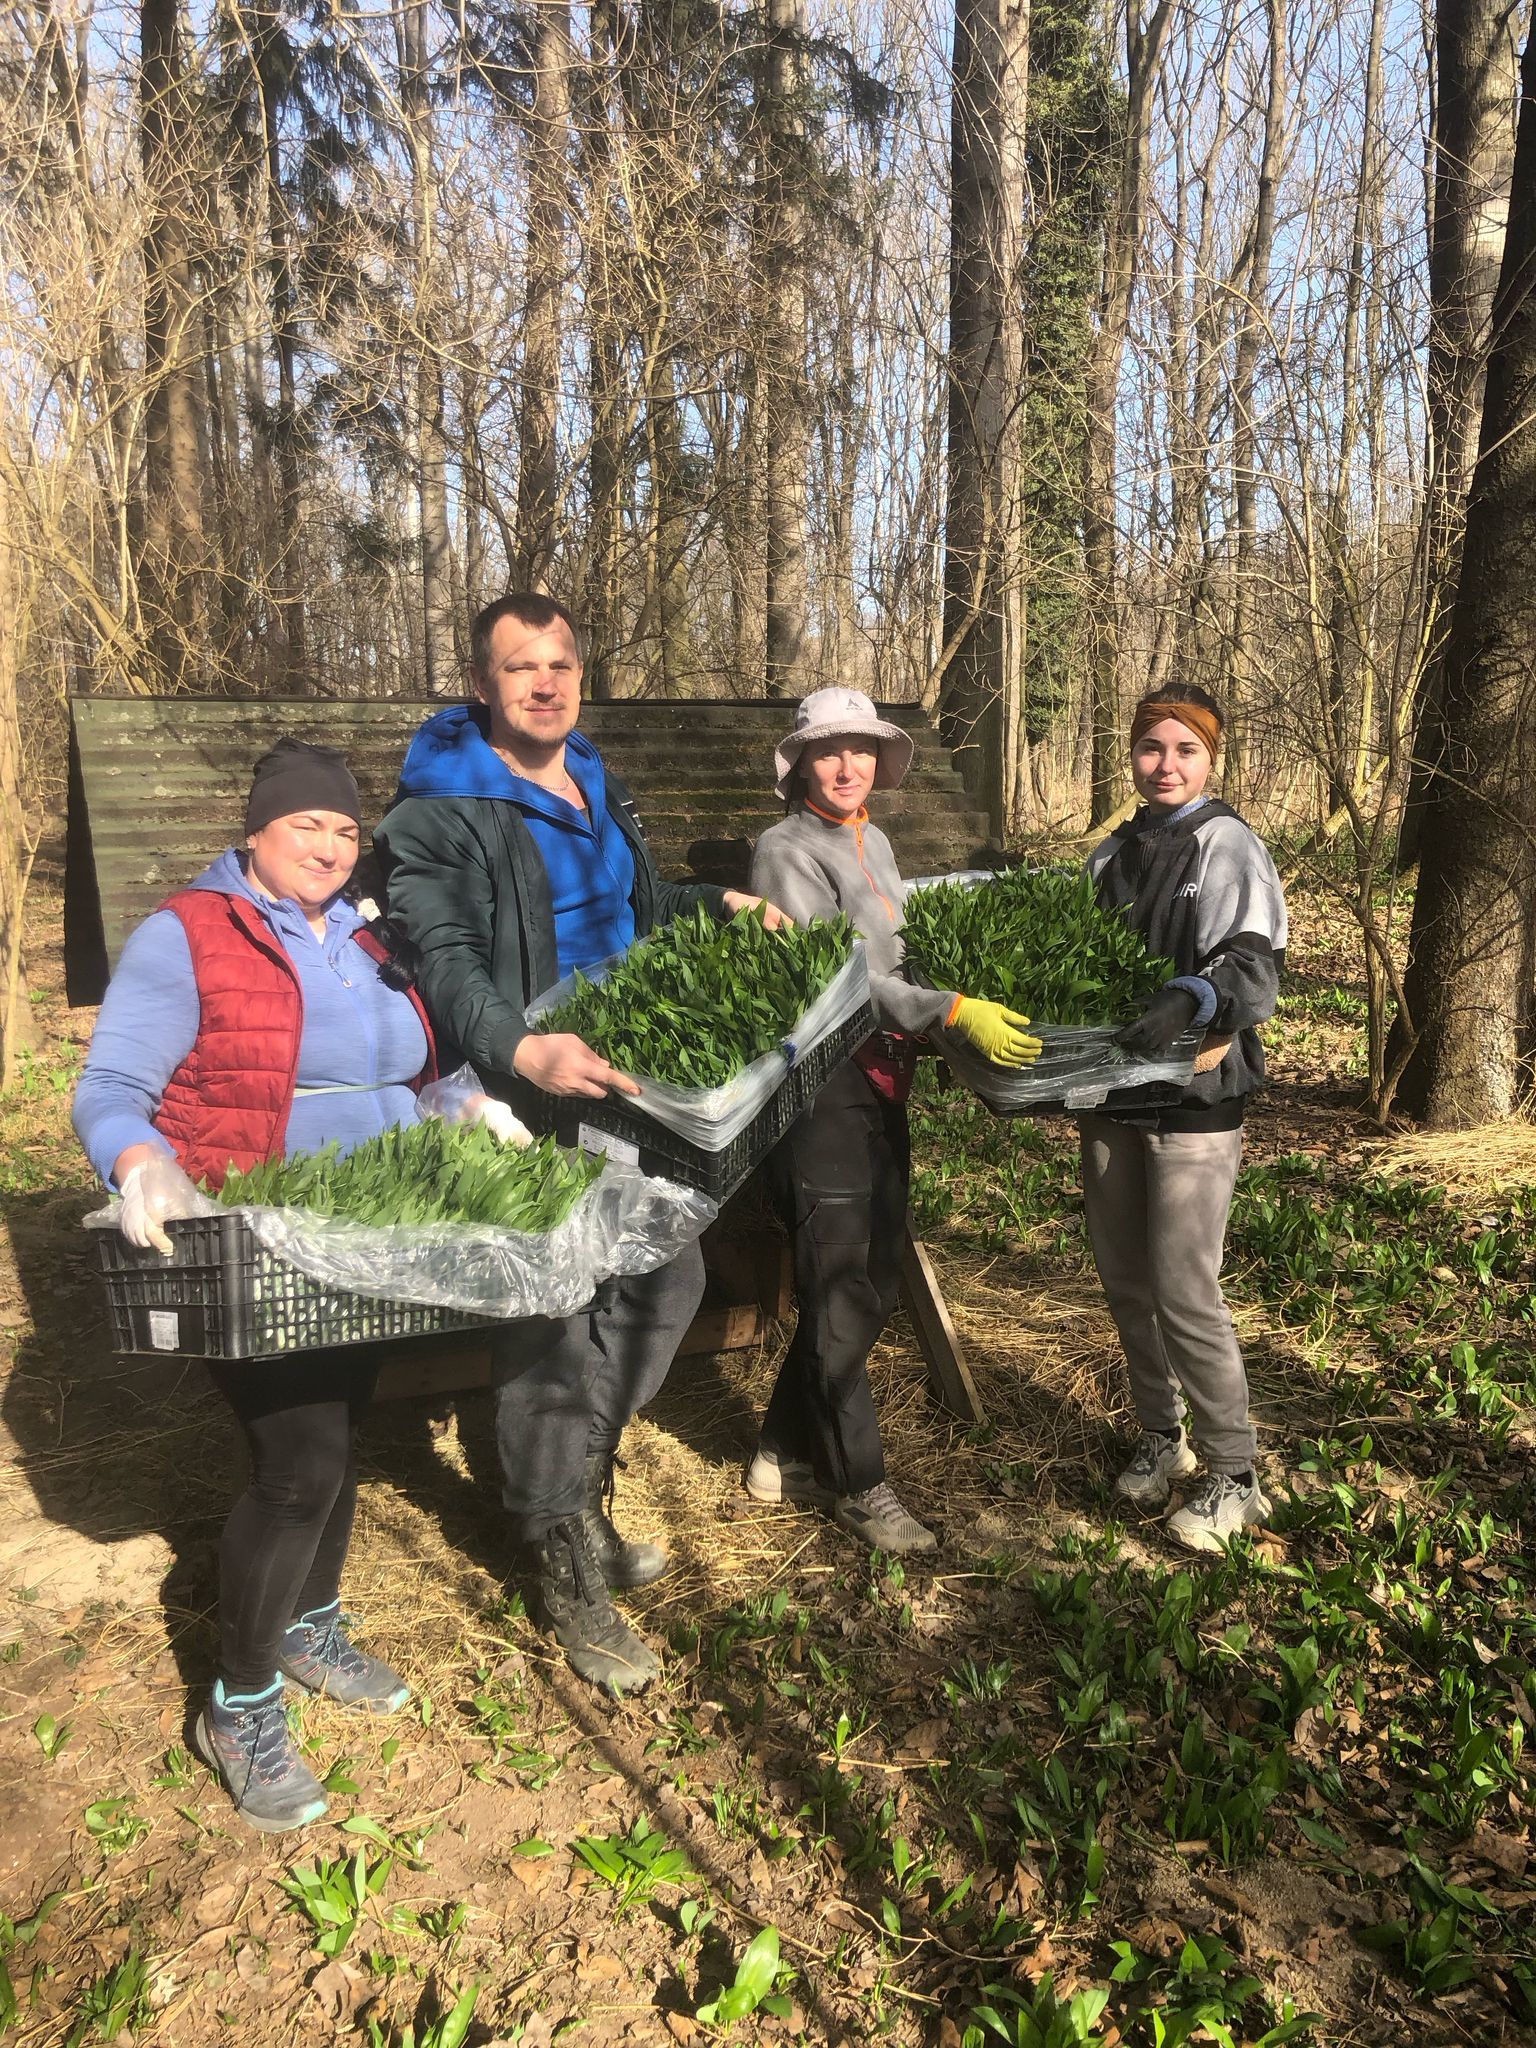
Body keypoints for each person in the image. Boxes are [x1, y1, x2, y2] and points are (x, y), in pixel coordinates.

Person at [72, 739, 515, 1833]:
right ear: (256, 830)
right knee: (297, 1462)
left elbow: (407, 1069)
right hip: (250, 1241)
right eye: (303, 824)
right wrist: (139, 1163)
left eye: (343, 828)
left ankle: (310, 1625)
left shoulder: (366, 938)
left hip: (364, 1237)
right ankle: (241, 1700)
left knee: (340, 1431)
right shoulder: (189, 934)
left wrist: (461, 1101)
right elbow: (110, 1086)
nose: (326, 843)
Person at [374, 593, 785, 1695]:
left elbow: (631, 914)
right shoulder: (441, 812)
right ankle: (561, 1558)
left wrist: (714, 904)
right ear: (481, 683)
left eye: (559, 663)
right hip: (530, 1087)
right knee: (556, 1309)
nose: (544, 682)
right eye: (521, 667)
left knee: (669, 1270)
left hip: (631, 1068)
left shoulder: (591, 777)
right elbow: (449, 959)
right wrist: (525, 1045)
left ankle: (576, 1488)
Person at [744, 688, 1042, 1553]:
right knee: (841, 1281)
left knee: (870, 1277)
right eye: (828, 751)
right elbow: (831, 982)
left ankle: (781, 1447)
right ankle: (859, 1485)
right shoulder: (784, 850)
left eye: (862, 750)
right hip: (820, 1086)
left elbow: (897, 948)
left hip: (881, 1078)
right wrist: (947, 1008)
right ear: (799, 762)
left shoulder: (872, 838)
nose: (847, 766)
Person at [1081, 685, 1288, 1554]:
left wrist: (1192, 994)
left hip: (1196, 1102)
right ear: (1130, 755)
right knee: (1127, 1281)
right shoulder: (1110, 854)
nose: (1164, 766)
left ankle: (1235, 1474)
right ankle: (1159, 1437)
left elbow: (1256, 967)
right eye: (1150, 749)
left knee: (1185, 1288)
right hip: (1110, 1095)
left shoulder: (1227, 843)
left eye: (1184, 751)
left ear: (1211, 758)